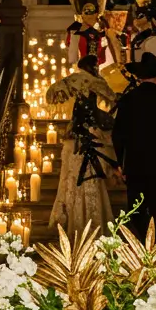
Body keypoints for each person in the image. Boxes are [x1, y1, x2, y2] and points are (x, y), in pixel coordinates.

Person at [112, 50, 156, 241]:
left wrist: (121, 163)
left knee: (136, 209)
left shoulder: (127, 100)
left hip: (135, 166)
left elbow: (118, 135)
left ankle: (142, 243)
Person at [47, 56, 117, 238]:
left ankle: (77, 225)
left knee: (75, 178)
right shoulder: (95, 82)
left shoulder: (72, 81)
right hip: (88, 135)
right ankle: (92, 224)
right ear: (92, 66)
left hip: (76, 135)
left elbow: (52, 94)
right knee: (89, 179)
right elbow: (113, 99)